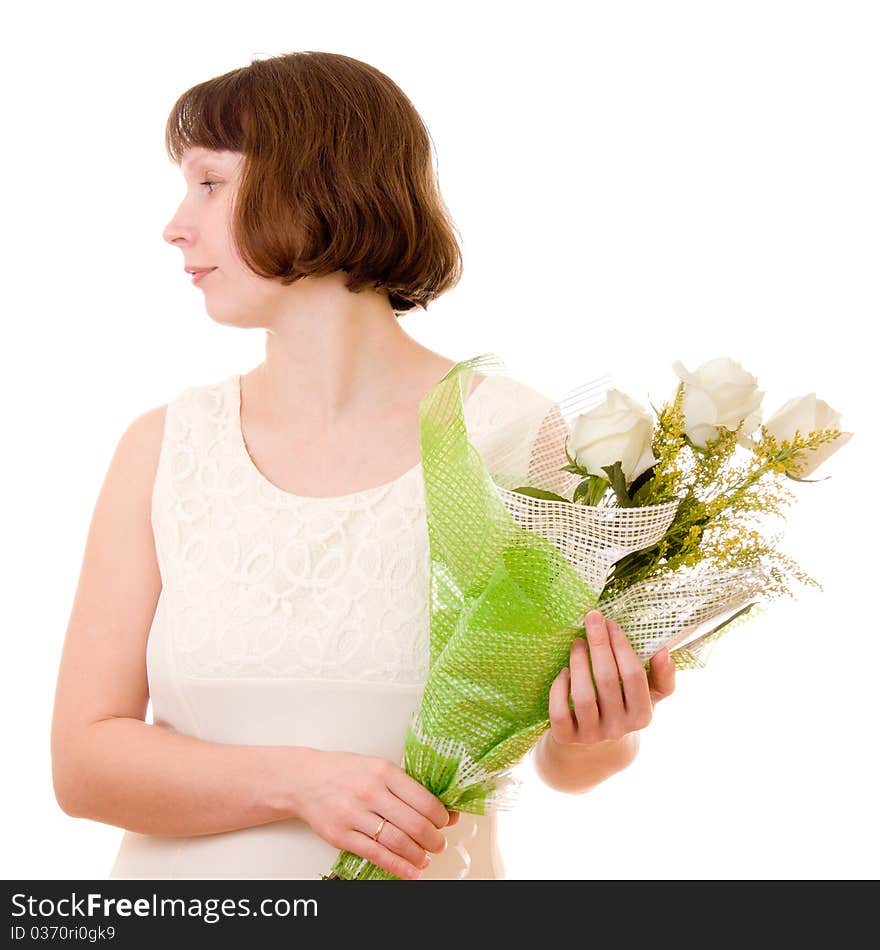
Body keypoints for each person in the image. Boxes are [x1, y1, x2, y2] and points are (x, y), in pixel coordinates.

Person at [50, 51, 676, 881]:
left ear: (313, 185)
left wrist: (600, 728)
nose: (175, 224)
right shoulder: (164, 446)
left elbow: (566, 762)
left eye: (208, 183)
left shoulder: (508, 435)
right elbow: (82, 764)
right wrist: (303, 784)